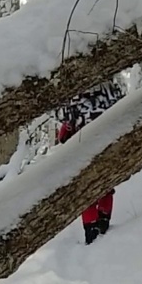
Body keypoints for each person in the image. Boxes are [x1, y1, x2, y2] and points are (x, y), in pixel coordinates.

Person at [55, 80, 124, 244]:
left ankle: (90, 229)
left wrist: (65, 134)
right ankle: (104, 220)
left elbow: (65, 132)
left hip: (84, 151)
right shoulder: (111, 91)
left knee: (85, 191)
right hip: (108, 146)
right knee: (107, 186)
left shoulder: (75, 99)